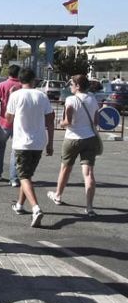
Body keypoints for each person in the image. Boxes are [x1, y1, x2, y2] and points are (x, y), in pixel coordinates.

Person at [5, 68, 54, 228]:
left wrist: (10, 97)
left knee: (23, 176)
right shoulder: (42, 95)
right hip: (39, 142)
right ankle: (19, 205)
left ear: (20, 80)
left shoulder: (16, 95)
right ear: (34, 80)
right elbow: (50, 120)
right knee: (27, 175)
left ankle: (36, 208)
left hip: (21, 142)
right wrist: (50, 143)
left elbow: (9, 119)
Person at [47, 74, 100, 217]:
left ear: (77, 86)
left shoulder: (70, 100)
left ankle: (58, 195)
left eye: (71, 84)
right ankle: (89, 207)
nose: (70, 86)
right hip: (89, 138)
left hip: (72, 138)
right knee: (88, 173)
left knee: (65, 168)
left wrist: (60, 122)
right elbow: (96, 121)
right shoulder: (92, 99)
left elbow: (68, 122)